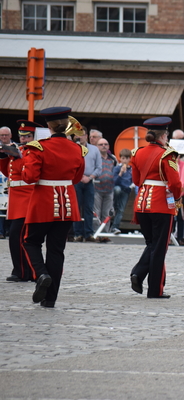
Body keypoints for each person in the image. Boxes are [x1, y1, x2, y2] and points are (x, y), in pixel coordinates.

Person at [21, 107, 86, 308]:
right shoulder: (77, 149)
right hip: (67, 204)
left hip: (43, 202)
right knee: (56, 251)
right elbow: (76, 178)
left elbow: (30, 177)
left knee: (30, 241)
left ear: (48, 126)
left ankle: (41, 274)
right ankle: (50, 299)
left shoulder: (38, 147)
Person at [129, 117, 182, 299]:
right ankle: (154, 289)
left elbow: (136, 180)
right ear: (163, 135)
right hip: (160, 203)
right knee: (159, 247)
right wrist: (177, 197)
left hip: (142, 203)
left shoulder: (137, 152)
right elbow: (175, 182)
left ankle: (138, 273)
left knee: (152, 244)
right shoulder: (167, 154)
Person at [0, 120, 41, 282]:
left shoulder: (33, 152)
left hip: (28, 197)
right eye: (22, 136)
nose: (24, 139)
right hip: (17, 198)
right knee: (16, 236)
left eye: (28, 136)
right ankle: (21, 270)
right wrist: (4, 157)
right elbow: (8, 172)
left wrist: (19, 156)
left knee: (20, 237)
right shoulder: (20, 150)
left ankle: (25, 271)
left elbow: (30, 172)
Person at [73, 128, 102, 242]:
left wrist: (90, 177)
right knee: (77, 208)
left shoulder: (94, 149)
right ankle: (77, 234)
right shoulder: (73, 148)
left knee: (89, 208)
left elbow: (99, 167)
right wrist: (79, 177)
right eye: (78, 135)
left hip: (89, 180)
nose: (80, 137)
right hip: (77, 180)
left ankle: (88, 233)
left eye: (82, 135)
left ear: (86, 136)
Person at [94, 138, 117, 240]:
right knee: (96, 213)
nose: (103, 146)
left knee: (107, 213)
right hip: (97, 189)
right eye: (101, 144)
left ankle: (105, 235)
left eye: (106, 144)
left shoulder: (113, 159)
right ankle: (96, 234)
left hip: (109, 189)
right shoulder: (95, 158)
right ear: (97, 146)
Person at [112, 148, 133, 234]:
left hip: (126, 190)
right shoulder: (117, 168)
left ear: (129, 159)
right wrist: (120, 173)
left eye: (127, 158)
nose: (125, 160)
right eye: (123, 158)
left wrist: (132, 185)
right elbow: (114, 181)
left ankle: (115, 227)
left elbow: (133, 180)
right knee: (117, 189)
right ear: (120, 158)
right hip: (118, 188)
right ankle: (114, 205)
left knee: (121, 210)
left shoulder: (131, 169)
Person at [0, 126, 13, 239]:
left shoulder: (16, 147)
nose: (4, 137)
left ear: (10, 136)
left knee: (11, 206)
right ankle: (1, 231)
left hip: (11, 181)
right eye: (2, 135)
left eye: (6, 135)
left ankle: (10, 230)